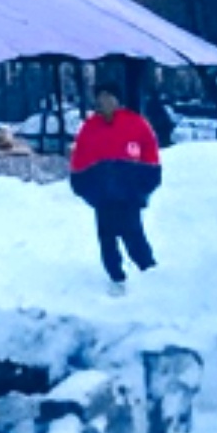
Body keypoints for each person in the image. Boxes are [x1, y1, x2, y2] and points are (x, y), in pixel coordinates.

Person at [70, 83, 164, 291]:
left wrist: (140, 188)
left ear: (117, 99)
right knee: (107, 238)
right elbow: (79, 163)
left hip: (128, 196)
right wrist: (89, 189)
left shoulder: (136, 124)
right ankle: (116, 278)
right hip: (103, 197)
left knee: (133, 234)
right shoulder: (90, 128)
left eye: (108, 96)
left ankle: (150, 275)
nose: (104, 102)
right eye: (100, 97)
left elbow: (151, 159)